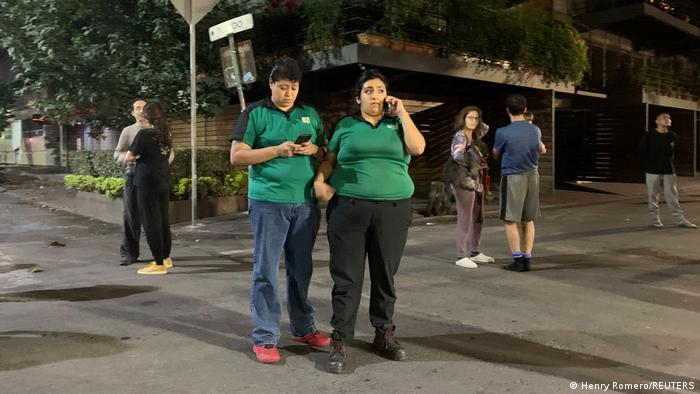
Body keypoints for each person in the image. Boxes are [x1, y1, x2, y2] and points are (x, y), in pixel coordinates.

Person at [314, 69, 426, 373]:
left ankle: (384, 333)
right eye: (368, 91)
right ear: (358, 97)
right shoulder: (346, 125)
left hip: (393, 208)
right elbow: (330, 158)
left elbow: (417, 148)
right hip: (349, 207)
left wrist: (402, 112)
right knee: (347, 277)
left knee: (385, 274)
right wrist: (320, 180)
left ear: (387, 95)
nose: (374, 95)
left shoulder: (397, 123)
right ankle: (340, 338)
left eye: (379, 90)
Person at [229, 56, 330, 364]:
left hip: (304, 205)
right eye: (282, 86)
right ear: (271, 84)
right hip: (268, 203)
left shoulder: (309, 114)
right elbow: (236, 156)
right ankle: (265, 335)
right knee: (266, 270)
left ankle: (303, 327)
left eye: (294, 87)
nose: (288, 93)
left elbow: (328, 154)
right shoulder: (255, 113)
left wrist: (316, 151)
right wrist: (277, 150)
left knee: (301, 270)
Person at [492, 94, 541, 273]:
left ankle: (518, 260)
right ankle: (527, 257)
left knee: (510, 219)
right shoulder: (535, 130)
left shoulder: (503, 132)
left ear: (507, 110)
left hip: (513, 177)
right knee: (528, 219)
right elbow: (539, 148)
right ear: (525, 109)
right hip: (533, 175)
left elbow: (496, 153)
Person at [125, 101, 174, 275]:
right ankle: (166, 257)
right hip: (162, 180)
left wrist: (129, 156)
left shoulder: (144, 134)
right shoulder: (166, 134)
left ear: (147, 116)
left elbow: (130, 156)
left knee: (150, 223)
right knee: (162, 221)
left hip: (146, 182)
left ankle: (158, 263)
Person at [444, 106, 494, 269]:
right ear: (462, 119)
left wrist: (477, 118)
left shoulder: (474, 135)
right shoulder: (460, 135)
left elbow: (486, 127)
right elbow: (457, 156)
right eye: (470, 117)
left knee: (479, 216)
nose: (473, 121)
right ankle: (461, 254)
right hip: (463, 179)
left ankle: (475, 252)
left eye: (476, 118)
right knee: (465, 216)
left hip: (476, 179)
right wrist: (473, 163)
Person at [638, 113, 696, 229]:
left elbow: (675, 152)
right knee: (653, 196)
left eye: (669, 118)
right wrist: (647, 166)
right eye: (664, 117)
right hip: (652, 170)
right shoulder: (649, 135)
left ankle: (680, 220)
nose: (667, 119)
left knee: (672, 196)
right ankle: (654, 221)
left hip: (669, 170)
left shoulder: (672, 136)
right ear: (657, 121)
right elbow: (641, 151)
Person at [114, 98, 146, 266]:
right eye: (137, 108)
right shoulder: (128, 131)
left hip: (153, 177)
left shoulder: (159, 130)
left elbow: (169, 152)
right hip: (133, 175)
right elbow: (117, 154)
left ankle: (161, 253)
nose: (141, 110)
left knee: (155, 216)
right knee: (131, 215)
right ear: (133, 113)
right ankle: (129, 253)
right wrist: (127, 157)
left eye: (144, 107)